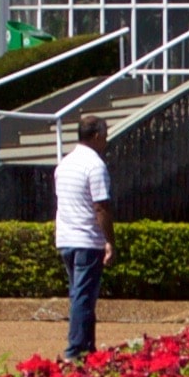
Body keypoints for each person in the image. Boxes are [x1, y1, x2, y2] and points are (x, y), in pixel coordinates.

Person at [53, 115, 113, 362]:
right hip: (87, 239)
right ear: (97, 136)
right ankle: (76, 349)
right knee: (84, 295)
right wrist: (110, 240)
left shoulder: (64, 163)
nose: (106, 142)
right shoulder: (95, 166)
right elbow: (101, 206)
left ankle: (87, 346)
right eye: (105, 136)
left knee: (79, 293)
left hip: (66, 238)